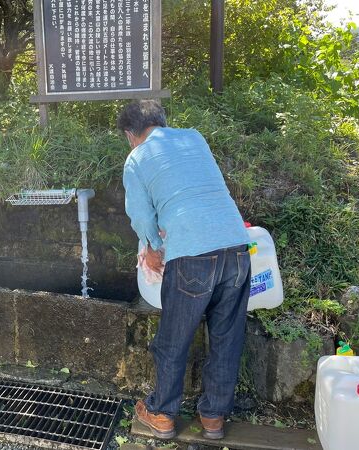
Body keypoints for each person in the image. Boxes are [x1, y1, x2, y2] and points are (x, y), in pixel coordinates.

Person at [118, 100, 251, 440]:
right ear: (163, 122)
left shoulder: (137, 158)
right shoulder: (193, 138)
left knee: (172, 340)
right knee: (227, 338)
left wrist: (150, 249)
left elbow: (142, 216)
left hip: (192, 255)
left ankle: (162, 414)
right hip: (237, 246)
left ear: (132, 135)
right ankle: (213, 419)